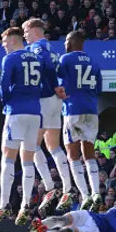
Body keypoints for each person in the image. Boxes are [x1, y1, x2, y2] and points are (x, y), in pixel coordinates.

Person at [0, 27, 42, 225]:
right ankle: (24, 206)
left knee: (8, 159)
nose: (4, 47)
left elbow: (4, 86)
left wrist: (7, 104)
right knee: (28, 160)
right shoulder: (36, 58)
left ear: (13, 41)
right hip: (35, 113)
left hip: (17, 112)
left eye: (5, 43)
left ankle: (4, 206)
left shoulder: (11, 59)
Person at [23, 19, 72, 214]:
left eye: (26, 31)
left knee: (32, 144)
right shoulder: (53, 49)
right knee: (53, 145)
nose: (25, 35)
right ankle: (68, 188)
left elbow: (48, 68)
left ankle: (50, 187)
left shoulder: (37, 48)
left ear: (35, 31)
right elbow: (60, 70)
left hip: (44, 98)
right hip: (55, 101)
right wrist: (60, 88)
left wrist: (54, 86)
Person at [57, 30, 102, 212]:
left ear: (72, 42)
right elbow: (98, 88)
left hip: (72, 109)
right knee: (89, 154)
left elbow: (57, 83)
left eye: (66, 40)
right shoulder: (94, 62)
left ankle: (85, 195)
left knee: (73, 156)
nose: (64, 43)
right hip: (92, 110)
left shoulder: (65, 59)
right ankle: (97, 192)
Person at [29, 204, 116, 232]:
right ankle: (39, 224)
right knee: (65, 219)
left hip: (96, 230)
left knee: (70, 231)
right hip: (90, 216)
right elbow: (110, 214)